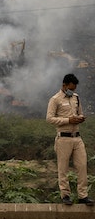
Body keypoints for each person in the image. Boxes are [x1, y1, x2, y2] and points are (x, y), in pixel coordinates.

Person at [46, 74, 94, 206]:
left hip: (77, 137)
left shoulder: (76, 98)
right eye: (70, 88)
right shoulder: (55, 99)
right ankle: (65, 195)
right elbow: (49, 118)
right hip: (63, 138)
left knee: (82, 165)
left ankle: (83, 195)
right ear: (64, 85)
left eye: (74, 88)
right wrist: (68, 120)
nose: (72, 91)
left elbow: (80, 113)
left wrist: (80, 118)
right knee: (63, 168)